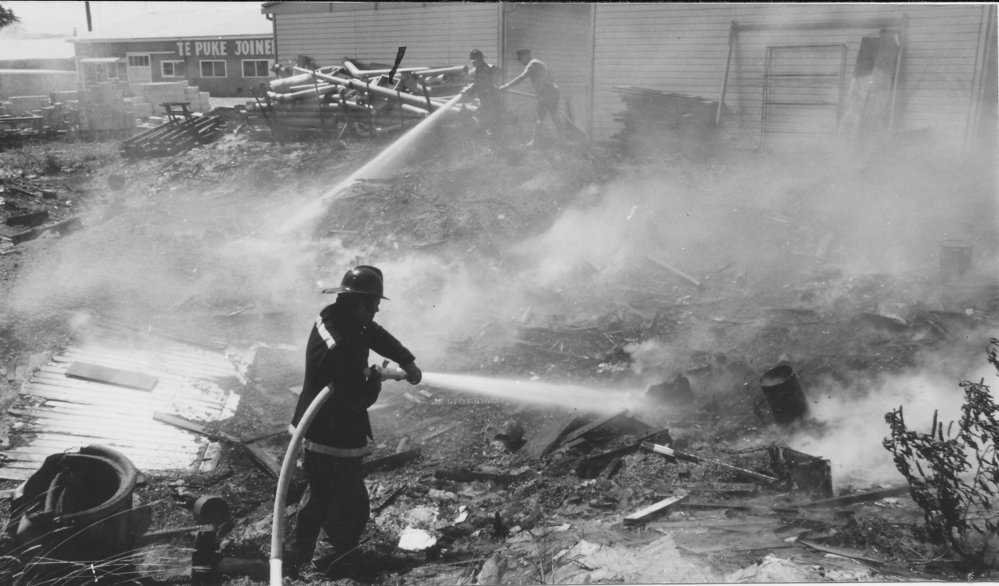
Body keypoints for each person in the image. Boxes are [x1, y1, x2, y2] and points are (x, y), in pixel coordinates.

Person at [285, 265, 422, 573]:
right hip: (328, 433)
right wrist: (374, 380)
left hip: (327, 429)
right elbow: (356, 397)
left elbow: (374, 334)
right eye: (374, 305)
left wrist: (406, 359)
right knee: (351, 504)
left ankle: (302, 553)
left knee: (321, 494)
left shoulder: (344, 318)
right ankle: (330, 563)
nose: (375, 311)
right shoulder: (337, 343)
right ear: (361, 304)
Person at [498, 49, 560, 146]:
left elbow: (521, 78)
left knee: (539, 117)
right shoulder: (539, 63)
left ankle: (535, 142)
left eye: (520, 59)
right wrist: (540, 92)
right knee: (554, 116)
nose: (521, 62)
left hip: (547, 91)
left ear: (525, 56)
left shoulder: (532, 65)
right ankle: (562, 139)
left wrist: (506, 86)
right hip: (552, 90)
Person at [466, 48, 502, 138]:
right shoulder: (474, 72)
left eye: (475, 62)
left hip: (492, 100)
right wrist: (469, 90)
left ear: (480, 60)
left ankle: (496, 144)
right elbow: (475, 86)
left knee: (493, 122)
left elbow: (489, 83)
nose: (473, 64)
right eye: (472, 62)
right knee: (484, 122)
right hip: (483, 101)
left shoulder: (490, 69)